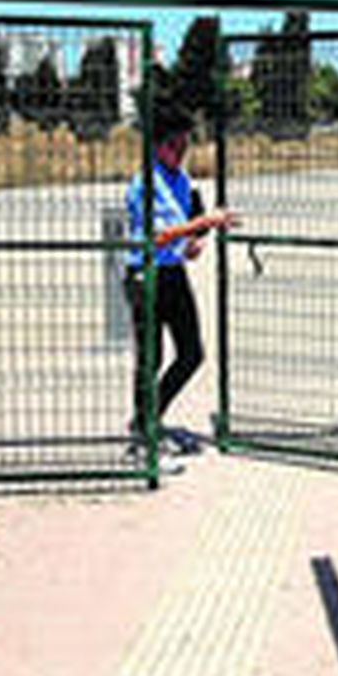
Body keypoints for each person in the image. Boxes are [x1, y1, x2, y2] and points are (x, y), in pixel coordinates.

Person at [124, 103, 237, 441]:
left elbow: (179, 232)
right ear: (157, 145)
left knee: (191, 353)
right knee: (152, 356)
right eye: (174, 145)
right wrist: (203, 222)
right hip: (146, 275)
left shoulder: (182, 180)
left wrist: (191, 242)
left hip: (172, 272)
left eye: (185, 145)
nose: (181, 152)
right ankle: (145, 425)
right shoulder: (144, 182)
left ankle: (148, 416)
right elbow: (156, 236)